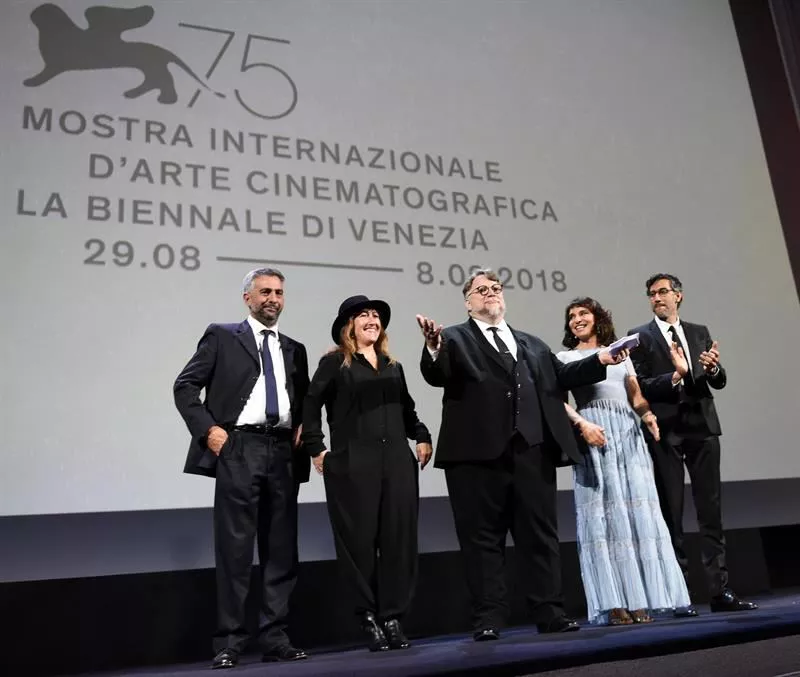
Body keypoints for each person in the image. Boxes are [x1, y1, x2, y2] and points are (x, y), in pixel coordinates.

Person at [416, 268, 629, 640]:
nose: (490, 293)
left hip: (532, 452)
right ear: (468, 302)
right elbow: (436, 373)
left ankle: (550, 613)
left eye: (495, 288)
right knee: (482, 540)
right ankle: (489, 619)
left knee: (540, 536)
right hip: (475, 458)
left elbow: (562, 375)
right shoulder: (452, 338)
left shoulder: (531, 343)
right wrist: (433, 345)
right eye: (481, 290)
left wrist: (601, 362)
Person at [174, 268, 310, 669]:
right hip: (238, 446)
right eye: (265, 291)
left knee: (281, 549)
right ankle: (230, 642)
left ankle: (275, 637)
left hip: (282, 450)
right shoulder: (221, 335)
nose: (273, 298)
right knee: (235, 549)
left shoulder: (294, 348)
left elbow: (298, 401)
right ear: (247, 298)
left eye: (279, 292)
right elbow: (184, 386)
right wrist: (210, 432)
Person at [302, 295, 433, 652]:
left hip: (396, 463)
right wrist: (317, 449)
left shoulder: (393, 364)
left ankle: (393, 616)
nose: (372, 320)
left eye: (376, 315)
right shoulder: (334, 363)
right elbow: (310, 405)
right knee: (358, 543)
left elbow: (407, 407)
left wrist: (420, 435)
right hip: (351, 465)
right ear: (350, 326)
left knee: (398, 541)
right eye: (364, 315)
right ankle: (368, 617)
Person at [556, 297, 691, 625]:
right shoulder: (565, 358)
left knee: (638, 518)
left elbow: (635, 395)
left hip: (628, 436)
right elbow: (557, 402)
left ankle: (642, 597)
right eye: (572, 316)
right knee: (604, 520)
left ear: (597, 318)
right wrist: (582, 426)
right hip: (595, 434)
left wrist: (647, 416)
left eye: (583, 313)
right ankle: (615, 602)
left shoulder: (621, 353)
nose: (577, 320)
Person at [628, 273, 757, 615]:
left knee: (710, 512)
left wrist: (713, 370)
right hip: (666, 431)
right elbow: (641, 385)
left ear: (678, 296)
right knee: (672, 513)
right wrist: (675, 375)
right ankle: (679, 594)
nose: (657, 298)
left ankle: (720, 592)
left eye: (663, 292)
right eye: (652, 294)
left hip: (702, 427)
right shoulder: (638, 336)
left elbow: (720, 380)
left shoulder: (699, 332)